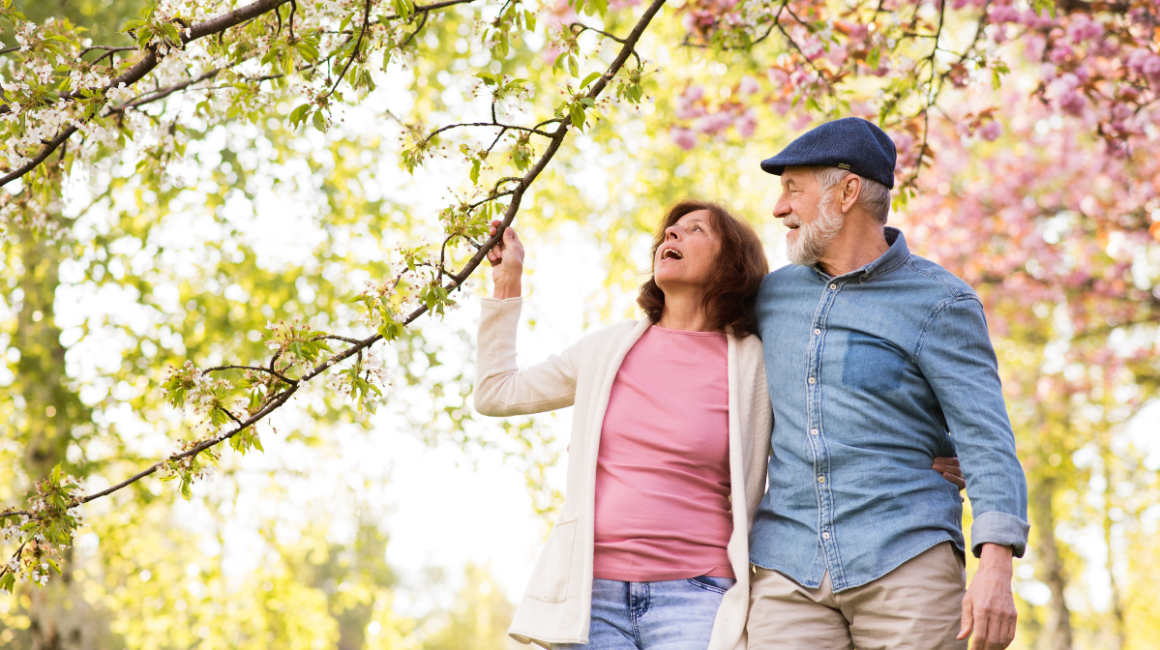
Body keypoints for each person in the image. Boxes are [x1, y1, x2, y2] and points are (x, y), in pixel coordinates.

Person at [473, 199, 966, 650]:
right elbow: (496, 394)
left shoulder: (757, 360)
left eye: (693, 230)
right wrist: (507, 283)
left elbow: (833, 413)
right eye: (669, 231)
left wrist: (935, 450)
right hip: (590, 597)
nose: (672, 234)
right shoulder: (607, 349)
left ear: (731, 263)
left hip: (699, 599)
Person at [746, 117, 1030, 650]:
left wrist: (996, 565)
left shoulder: (940, 302)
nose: (779, 208)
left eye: (792, 189)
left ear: (848, 191)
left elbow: (986, 437)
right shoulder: (769, 297)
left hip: (905, 561)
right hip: (788, 569)